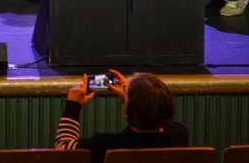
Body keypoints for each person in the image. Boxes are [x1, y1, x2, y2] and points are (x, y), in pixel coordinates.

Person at [55, 70, 188, 163]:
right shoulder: (179, 135)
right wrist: (133, 97)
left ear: (129, 110)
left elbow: (63, 147)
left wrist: (73, 105)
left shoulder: (105, 145)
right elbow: (159, 114)